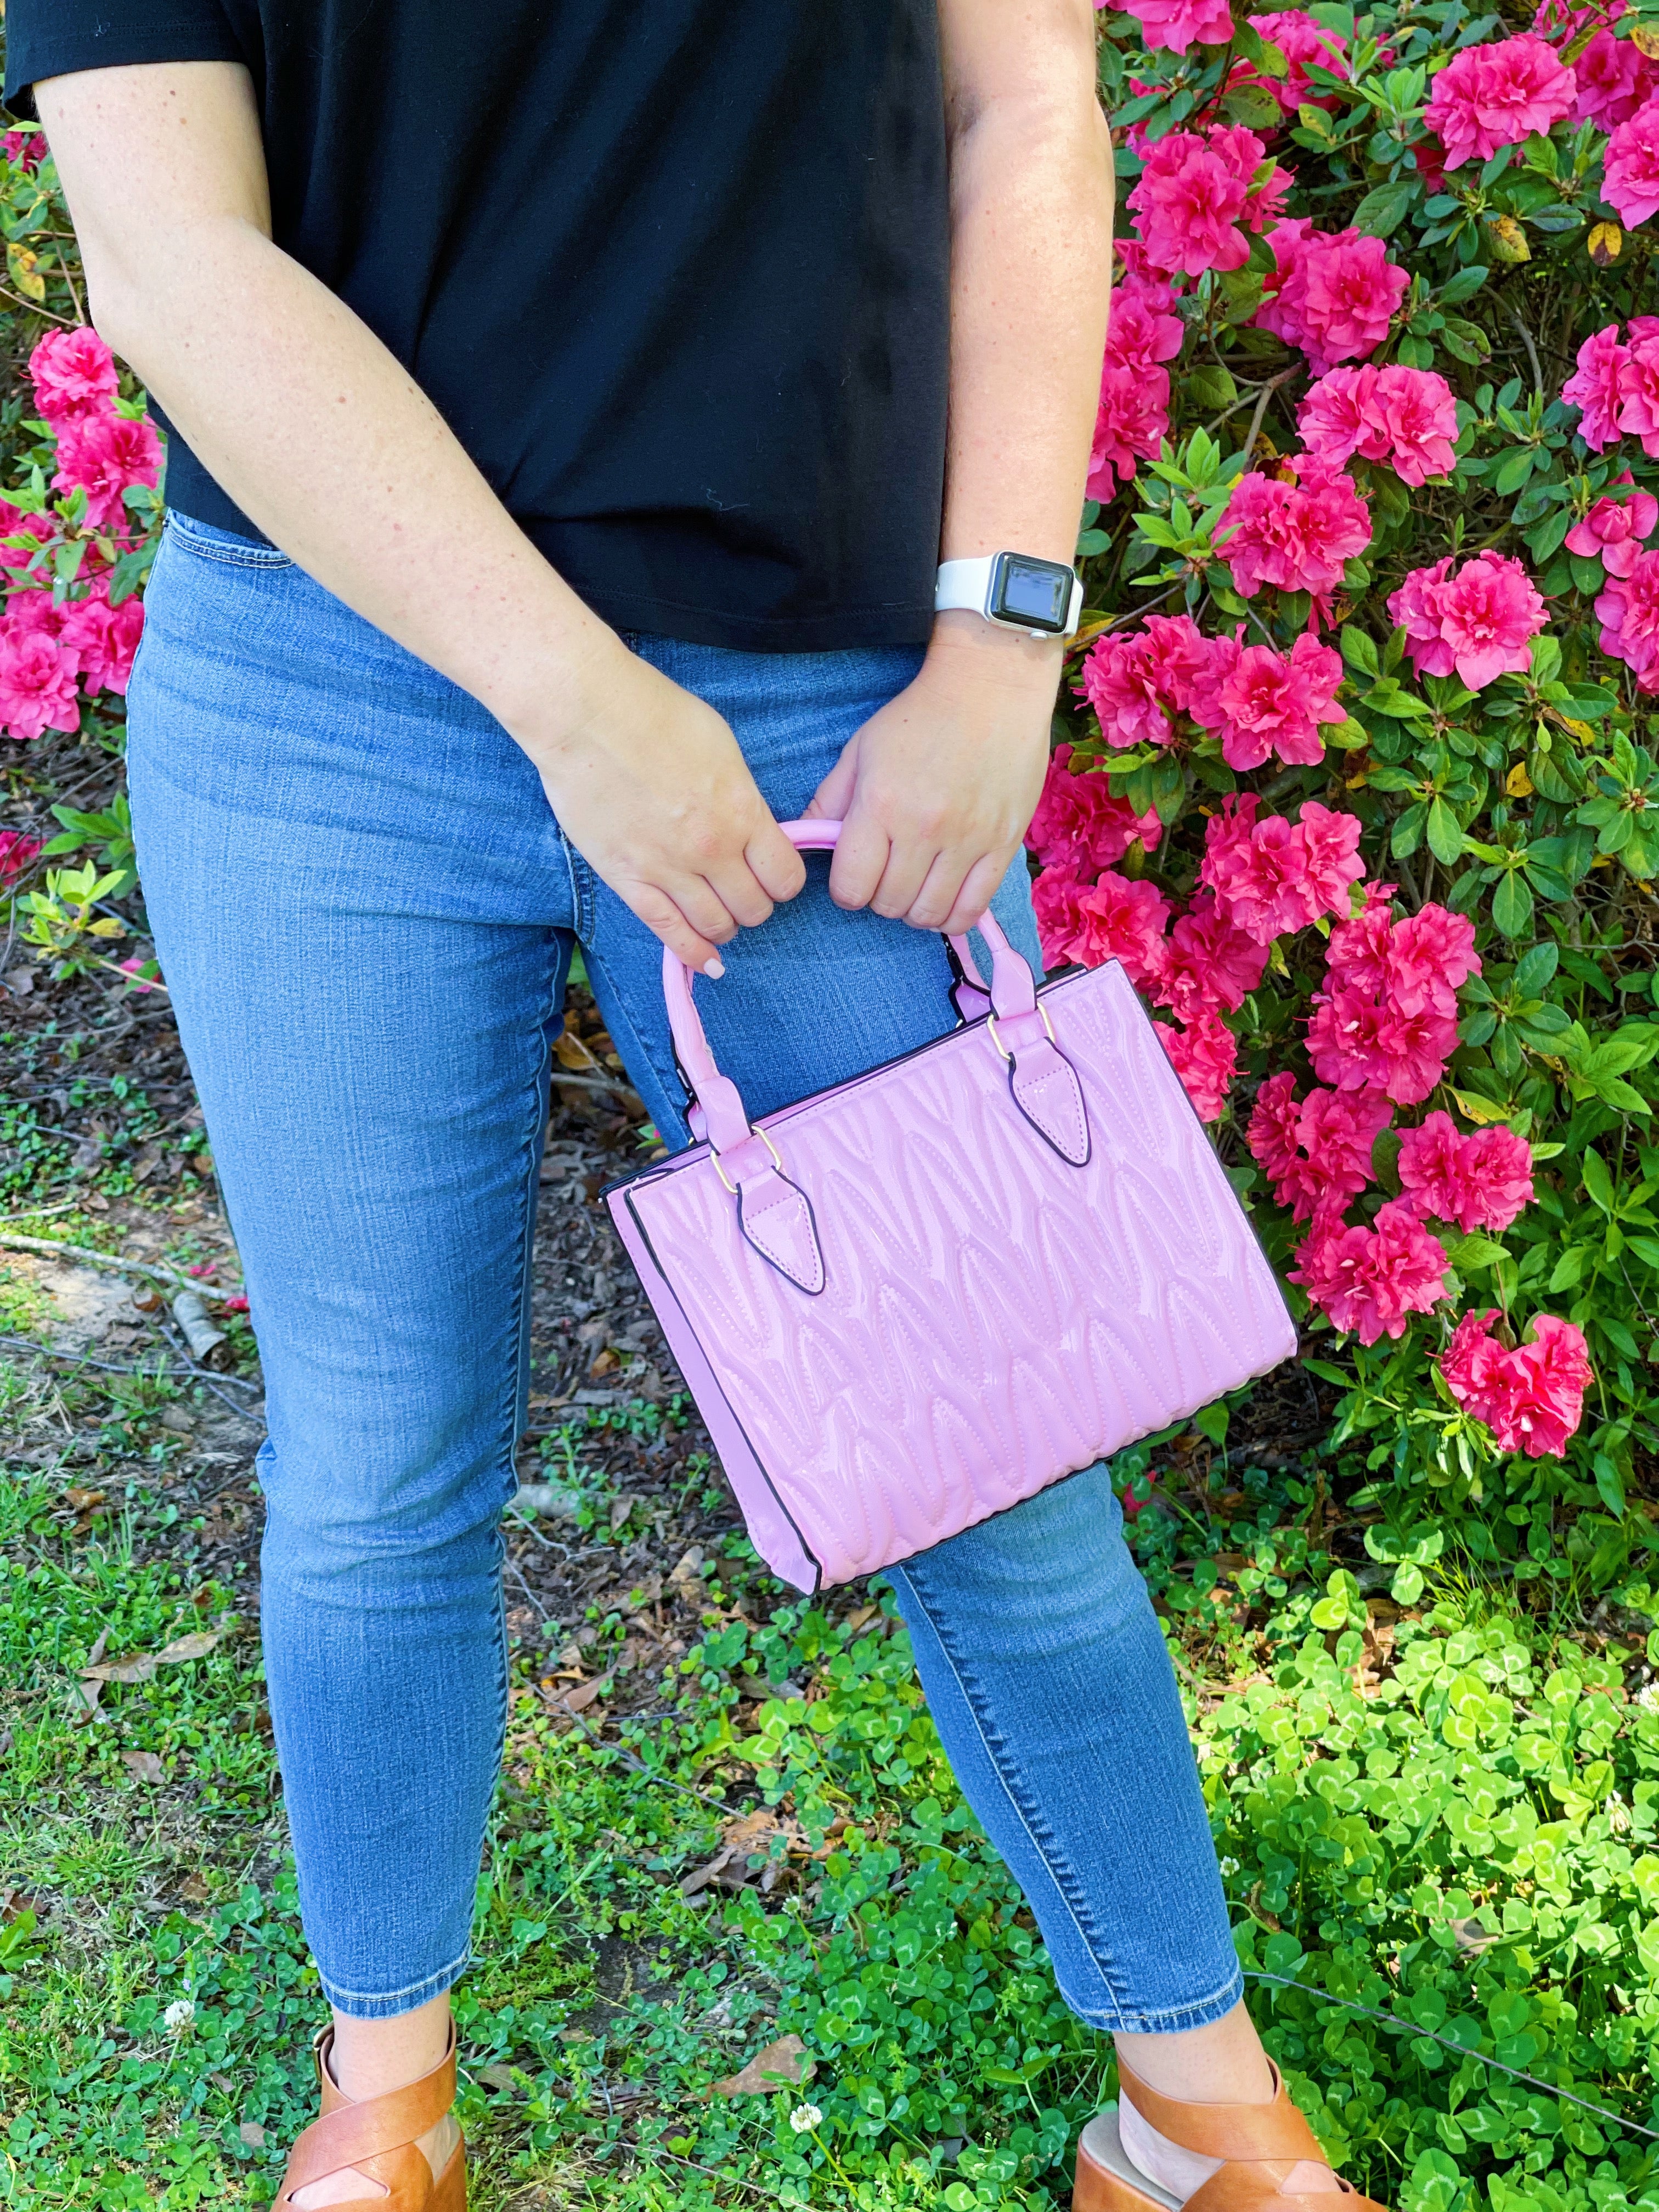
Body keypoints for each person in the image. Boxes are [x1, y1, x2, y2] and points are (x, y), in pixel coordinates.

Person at [9, 4, 1385, 2207]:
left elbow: (1022, 97)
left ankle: (1196, 2114)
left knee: (997, 1451)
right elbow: (172, 256)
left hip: (834, 695)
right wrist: (574, 706)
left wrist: (1004, 647)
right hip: (327, 692)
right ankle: (392, 2107)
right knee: (374, 1463)